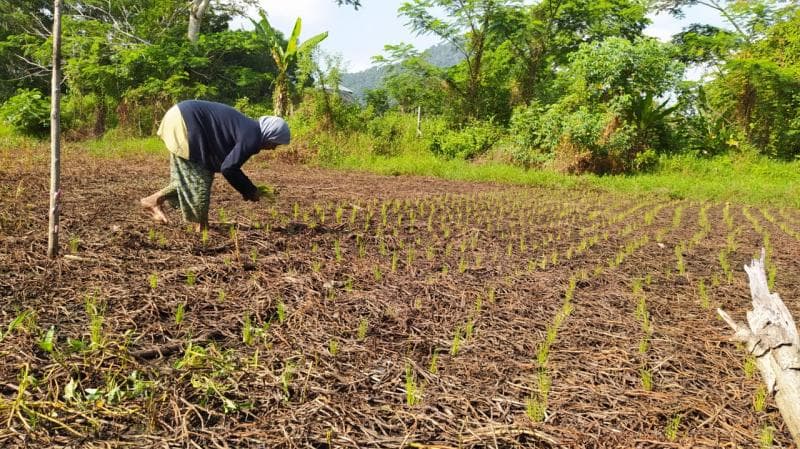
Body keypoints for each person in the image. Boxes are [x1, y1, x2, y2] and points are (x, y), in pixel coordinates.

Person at [140, 100, 290, 232]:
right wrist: (250, 191)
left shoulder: (249, 129)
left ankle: (154, 200)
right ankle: (201, 228)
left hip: (181, 117)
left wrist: (248, 191)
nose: (274, 148)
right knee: (200, 181)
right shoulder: (252, 136)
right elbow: (229, 168)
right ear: (270, 135)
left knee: (195, 177)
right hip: (186, 121)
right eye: (275, 143)